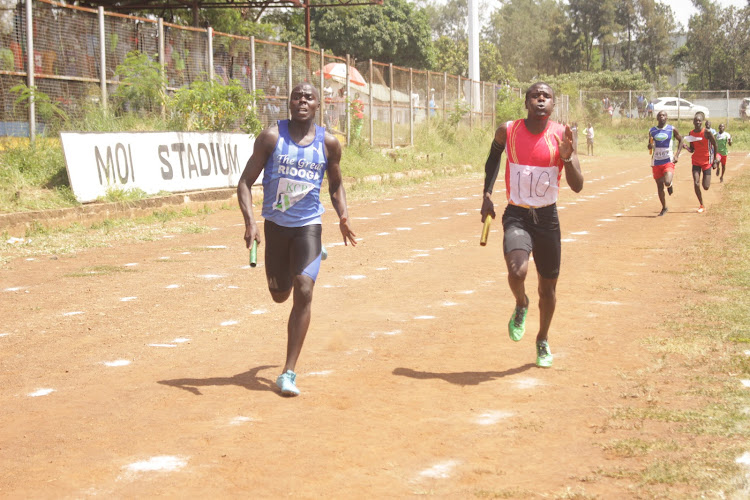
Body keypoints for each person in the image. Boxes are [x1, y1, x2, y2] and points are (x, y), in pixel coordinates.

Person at [237, 82, 357, 396]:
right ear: (289, 103)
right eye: (297, 96)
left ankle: (288, 372)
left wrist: (343, 214)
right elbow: (245, 183)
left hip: (308, 224)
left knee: (304, 289)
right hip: (276, 228)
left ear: (319, 105)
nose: (302, 100)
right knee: (280, 295)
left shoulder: (329, 143)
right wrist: (251, 221)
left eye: (309, 97)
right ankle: (307, 257)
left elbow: (335, 186)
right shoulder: (270, 138)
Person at [480, 82, 584, 368]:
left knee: (548, 289)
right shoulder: (508, 130)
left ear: (553, 104)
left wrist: (567, 157)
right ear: (526, 102)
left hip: (547, 219)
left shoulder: (562, 135)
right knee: (517, 270)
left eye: (546, 96)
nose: (541, 99)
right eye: (535, 96)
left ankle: (542, 339)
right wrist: (487, 195)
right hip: (517, 215)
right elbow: (493, 159)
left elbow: (578, 186)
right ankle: (521, 303)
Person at [648, 111, 685, 216]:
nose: (662, 117)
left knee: (667, 182)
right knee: (659, 186)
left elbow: (681, 140)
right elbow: (650, 145)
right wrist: (650, 146)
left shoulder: (672, 129)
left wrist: (677, 154)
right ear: (657, 118)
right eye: (660, 115)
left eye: (664, 115)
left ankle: (670, 185)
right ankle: (664, 207)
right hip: (656, 161)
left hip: (668, 160)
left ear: (667, 117)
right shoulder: (652, 131)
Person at [684, 111, 718, 213]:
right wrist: (685, 147)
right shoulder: (691, 133)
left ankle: (705, 183)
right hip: (696, 161)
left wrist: (715, 160)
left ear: (702, 122)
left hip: (707, 161)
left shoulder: (707, 132)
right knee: (696, 182)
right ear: (693, 122)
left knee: (706, 186)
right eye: (696, 120)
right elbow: (692, 149)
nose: (697, 122)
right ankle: (701, 204)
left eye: (699, 120)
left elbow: (715, 145)